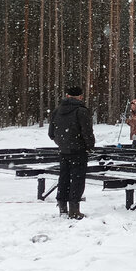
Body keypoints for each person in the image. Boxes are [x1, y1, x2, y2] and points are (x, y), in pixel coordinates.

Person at [48, 85, 95, 219]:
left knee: (63, 178)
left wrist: (62, 143)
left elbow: (51, 133)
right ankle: (74, 209)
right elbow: (87, 132)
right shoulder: (81, 111)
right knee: (77, 180)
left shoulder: (57, 111)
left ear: (67, 96)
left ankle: (62, 206)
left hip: (64, 151)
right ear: (81, 97)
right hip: (78, 150)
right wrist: (89, 146)